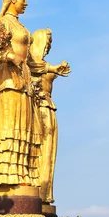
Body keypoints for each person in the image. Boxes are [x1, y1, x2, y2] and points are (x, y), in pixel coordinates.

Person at [0, 0, 69, 187]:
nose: (26, 2)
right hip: (8, 82)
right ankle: (5, 175)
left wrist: (52, 67)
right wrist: (8, 56)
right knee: (10, 126)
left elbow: (30, 61)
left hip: (24, 81)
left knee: (26, 129)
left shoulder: (22, 27)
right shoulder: (1, 23)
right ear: (12, 0)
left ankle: (21, 174)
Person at [30, 28, 70, 203]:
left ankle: (44, 192)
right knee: (35, 150)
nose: (48, 46)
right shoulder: (29, 64)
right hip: (35, 111)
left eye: (50, 43)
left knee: (47, 152)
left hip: (48, 110)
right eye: (47, 42)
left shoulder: (44, 65)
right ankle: (34, 189)